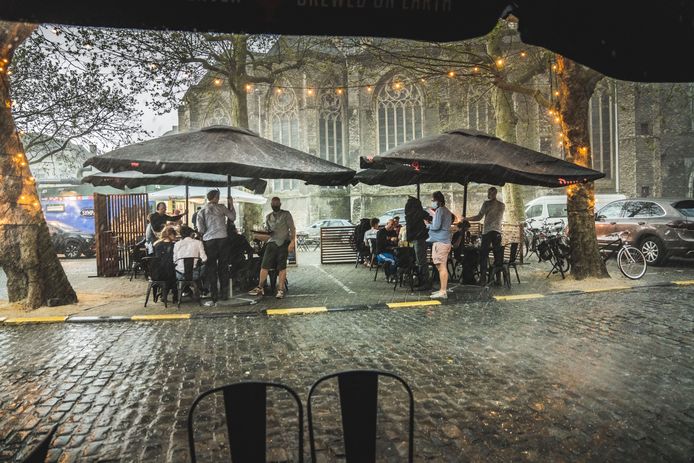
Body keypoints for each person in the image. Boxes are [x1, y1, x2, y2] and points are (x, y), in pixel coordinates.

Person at [248, 197, 296, 299]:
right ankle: (260, 287)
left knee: (282, 267)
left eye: (276, 202)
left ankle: (280, 290)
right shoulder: (268, 217)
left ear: (280, 203)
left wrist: (292, 242)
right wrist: (257, 236)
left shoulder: (286, 214)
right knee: (264, 266)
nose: (275, 204)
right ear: (271, 204)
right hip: (271, 243)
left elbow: (292, 228)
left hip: (283, 243)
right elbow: (269, 234)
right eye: (273, 203)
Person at [196, 189, 236, 304]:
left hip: (209, 242)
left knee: (211, 268)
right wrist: (231, 205)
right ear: (215, 197)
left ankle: (214, 295)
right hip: (223, 239)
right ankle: (224, 294)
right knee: (223, 267)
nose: (219, 198)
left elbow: (201, 230)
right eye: (218, 196)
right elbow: (232, 218)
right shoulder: (222, 207)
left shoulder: (202, 211)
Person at [461, 186, 505, 286]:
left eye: (489, 193)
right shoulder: (502, 205)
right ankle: (498, 279)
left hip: (488, 232)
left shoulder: (486, 204)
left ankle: (483, 279)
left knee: (483, 255)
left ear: (493, 193)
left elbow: (479, 217)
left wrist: (466, 218)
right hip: (498, 232)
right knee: (497, 256)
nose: (488, 195)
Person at [428, 191, 453, 299]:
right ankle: (442, 290)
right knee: (441, 266)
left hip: (441, 242)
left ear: (438, 200)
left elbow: (436, 226)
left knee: (441, 267)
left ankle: (443, 292)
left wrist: (428, 225)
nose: (432, 202)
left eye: (433, 200)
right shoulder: (447, 211)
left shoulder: (439, 211)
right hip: (444, 241)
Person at [405, 196, 431, 291]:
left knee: (420, 261)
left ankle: (424, 282)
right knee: (421, 261)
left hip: (415, 239)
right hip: (420, 238)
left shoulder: (409, 214)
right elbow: (428, 217)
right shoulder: (419, 213)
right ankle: (424, 281)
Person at [152, 226, 178, 302]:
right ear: (170, 235)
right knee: (173, 273)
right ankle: (175, 295)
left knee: (169, 270)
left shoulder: (156, 244)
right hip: (168, 272)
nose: (175, 236)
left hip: (157, 272)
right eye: (174, 235)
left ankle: (164, 294)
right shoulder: (173, 245)